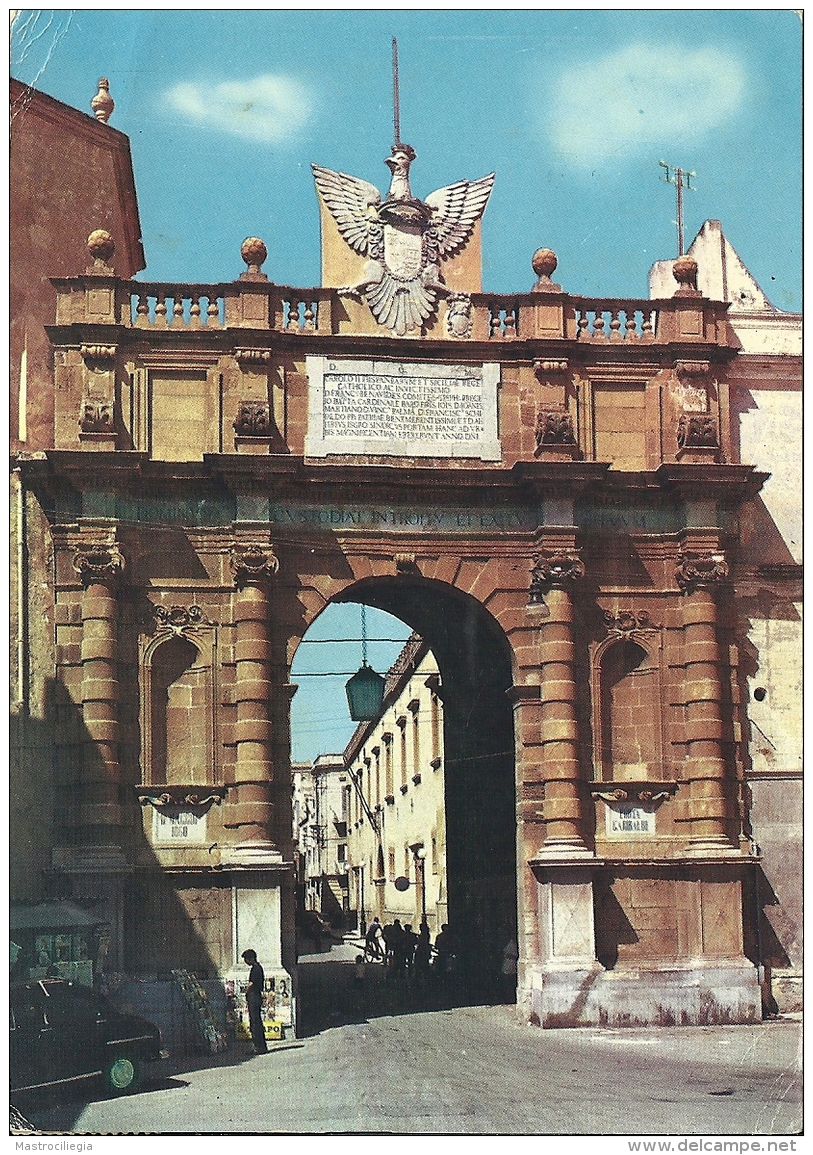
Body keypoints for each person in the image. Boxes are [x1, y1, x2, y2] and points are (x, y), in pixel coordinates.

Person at [241, 948, 268, 1055]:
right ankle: (261, 1046)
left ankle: (259, 1046)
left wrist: (246, 991)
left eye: (246, 959)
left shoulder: (256, 969)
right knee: (257, 1021)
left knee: (255, 1022)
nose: (245, 962)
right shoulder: (258, 968)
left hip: (254, 997)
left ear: (250, 958)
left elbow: (252, 983)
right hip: (256, 997)